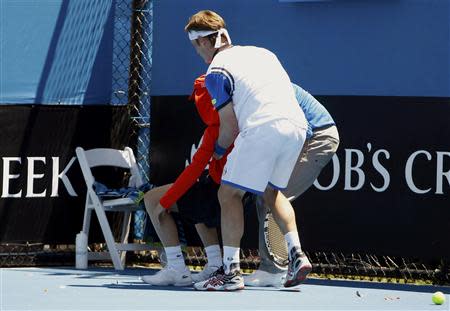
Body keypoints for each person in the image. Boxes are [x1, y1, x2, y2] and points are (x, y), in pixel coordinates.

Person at [185, 10, 310, 291]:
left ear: (205, 42)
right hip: (296, 127)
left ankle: (230, 273)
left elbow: (229, 127)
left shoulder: (216, 71)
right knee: (271, 191)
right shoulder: (263, 53)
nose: (197, 51)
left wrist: (217, 151)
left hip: (263, 127)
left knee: (227, 193)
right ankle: (297, 254)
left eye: (196, 45)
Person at [244, 84, 340, 287]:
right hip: (309, 136)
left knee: (269, 196)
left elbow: (302, 128)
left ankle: (273, 269)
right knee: (266, 195)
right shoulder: (257, 89)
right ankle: (281, 265)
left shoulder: (270, 89)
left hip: (316, 137)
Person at [141, 75, 231, 286]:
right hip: (230, 195)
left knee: (153, 199)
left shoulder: (215, 130)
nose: (199, 103)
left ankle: (176, 268)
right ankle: (215, 264)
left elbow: (193, 171)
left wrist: (164, 203)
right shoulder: (244, 120)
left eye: (201, 98)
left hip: (221, 198)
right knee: (195, 194)